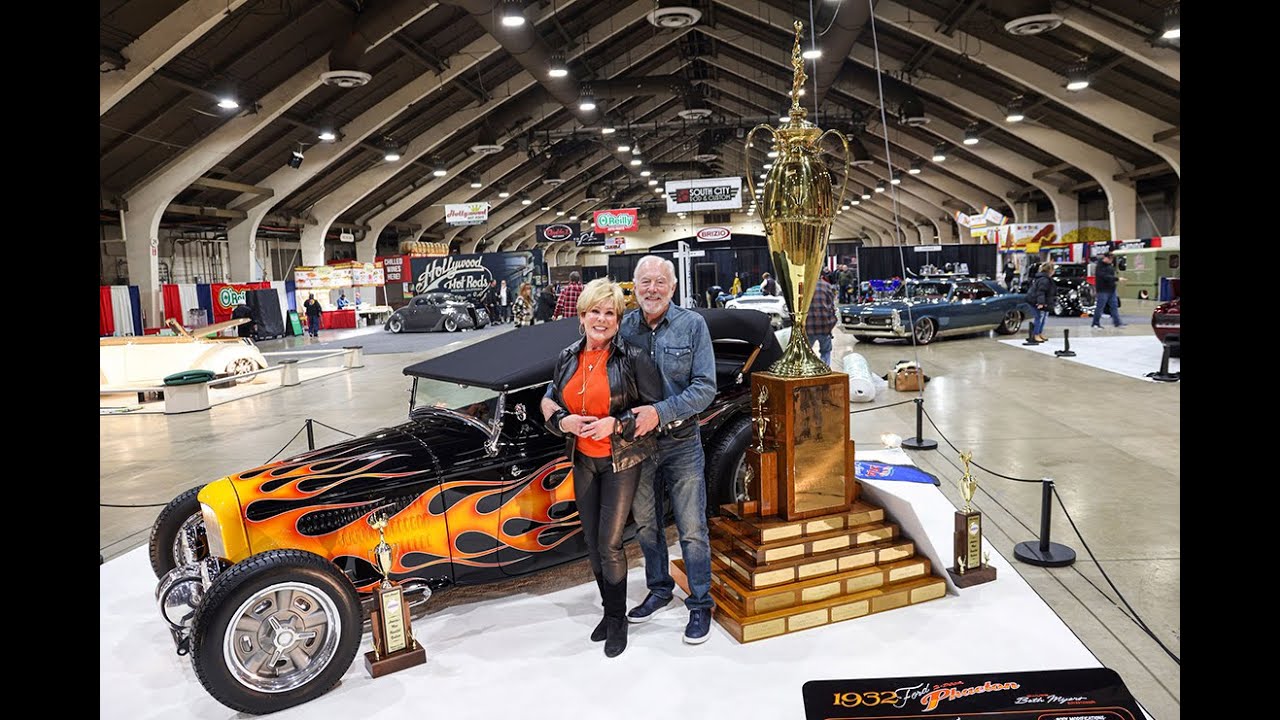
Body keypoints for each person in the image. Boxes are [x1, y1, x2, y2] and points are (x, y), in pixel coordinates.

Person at [540, 279, 662, 658]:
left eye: (610, 313)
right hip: (582, 459)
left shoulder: (633, 357)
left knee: (609, 543)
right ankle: (610, 612)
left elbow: (655, 411)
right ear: (582, 316)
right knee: (591, 544)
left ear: (618, 320)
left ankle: (617, 619)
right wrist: (563, 421)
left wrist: (617, 424)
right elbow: (547, 400)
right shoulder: (567, 357)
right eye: (595, 311)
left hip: (619, 460)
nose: (602, 319)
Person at [617, 255, 717, 645]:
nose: (652, 289)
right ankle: (659, 590)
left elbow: (705, 388)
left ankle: (700, 602)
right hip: (638, 446)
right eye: (645, 283)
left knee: (692, 529)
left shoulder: (693, 326)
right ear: (635, 287)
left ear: (673, 288)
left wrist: (659, 412)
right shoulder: (624, 326)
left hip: (682, 442)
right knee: (645, 524)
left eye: (660, 282)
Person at [806, 272, 839, 366]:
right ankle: (825, 372)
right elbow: (832, 306)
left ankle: (807, 373)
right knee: (826, 352)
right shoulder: (827, 286)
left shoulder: (803, 286)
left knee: (806, 353)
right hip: (825, 326)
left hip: (808, 327)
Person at [1090, 251, 1125, 328]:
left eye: (1111, 259)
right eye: (1109, 258)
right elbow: (1105, 277)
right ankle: (1095, 323)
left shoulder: (1110, 266)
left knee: (1114, 307)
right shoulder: (1100, 266)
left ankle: (1117, 323)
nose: (1111, 260)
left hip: (1111, 290)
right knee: (1100, 307)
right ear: (1105, 258)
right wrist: (1117, 279)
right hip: (1102, 290)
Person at [1027, 261, 1056, 343]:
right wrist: (1040, 303)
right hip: (1034, 301)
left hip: (1040, 300)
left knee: (1044, 317)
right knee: (1039, 317)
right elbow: (1041, 292)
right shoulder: (1044, 280)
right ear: (1050, 270)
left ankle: (1039, 333)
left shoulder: (1045, 278)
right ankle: (1036, 334)